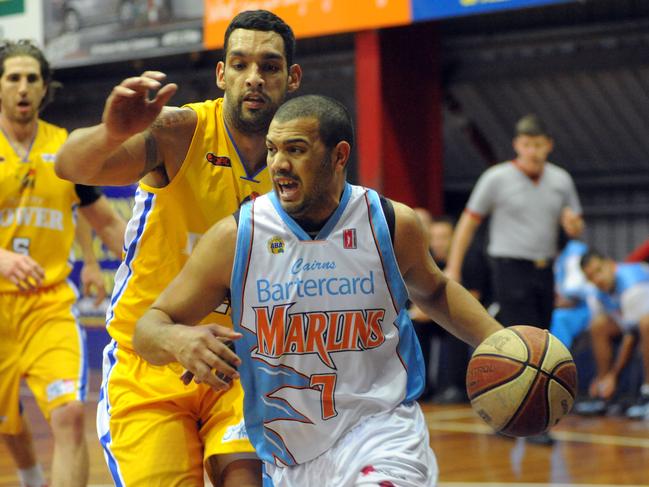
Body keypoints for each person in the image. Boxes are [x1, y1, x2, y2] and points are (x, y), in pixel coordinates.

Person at [133, 94, 506, 487]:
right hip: (287, 454)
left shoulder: (392, 223)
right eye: (273, 149)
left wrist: (502, 341)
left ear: (339, 155)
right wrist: (178, 340)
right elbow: (148, 328)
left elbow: (434, 291)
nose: (278, 164)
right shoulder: (237, 235)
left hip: (381, 433)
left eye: (296, 150)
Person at [55, 10, 302, 486]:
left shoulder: (302, 156)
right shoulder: (181, 131)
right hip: (151, 360)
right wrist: (111, 132)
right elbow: (71, 166)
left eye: (269, 66)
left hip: (242, 368)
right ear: (221, 73)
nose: (254, 78)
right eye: (241, 64)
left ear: (291, 77)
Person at [0, 39, 126, 487]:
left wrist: (139, 262)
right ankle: (33, 477)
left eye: (32, 78)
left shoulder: (67, 149)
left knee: (70, 413)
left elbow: (103, 220)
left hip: (48, 305)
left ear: (45, 87)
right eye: (13, 77)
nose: (23, 87)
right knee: (8, 421)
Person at [580, 249, 649, 419]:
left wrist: (614, 375)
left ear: (611, 265)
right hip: (634, 321)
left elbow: (631, 336)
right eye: (590, 277)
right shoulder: (597, 293)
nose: (597, 279)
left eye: (598, 271)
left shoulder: (632, 286)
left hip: (642, 321)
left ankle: (647, 394)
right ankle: (604, 394)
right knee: (599, 326)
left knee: (646, 324)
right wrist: (603, 378)